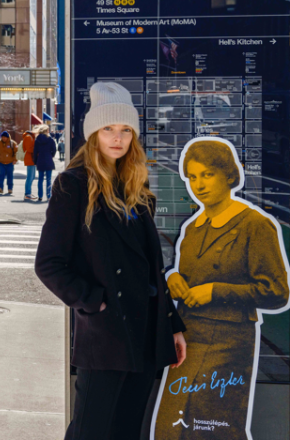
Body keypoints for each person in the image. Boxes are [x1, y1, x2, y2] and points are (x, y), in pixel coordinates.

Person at [34, 82, 187, 440]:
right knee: (90, 431)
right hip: (106, 336)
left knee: (126, 431)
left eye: (125, 131)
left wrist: (172, 325)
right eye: (108, 129)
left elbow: (153, 270)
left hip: (146, 331)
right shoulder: (72, 185)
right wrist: (93, 302)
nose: (117, 138)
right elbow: (49, 263)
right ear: (93, 134)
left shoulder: (138, 189)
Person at [154, 138, 290, 439]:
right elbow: (190, 276)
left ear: (228, 175)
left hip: (229, 343)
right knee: (171, 429)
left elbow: (277, 291)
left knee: (213, 427)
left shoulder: (254, 225)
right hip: (188, 339)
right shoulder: (193, 227)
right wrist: (172, 278)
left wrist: (216, 291)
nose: (198, 184)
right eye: (191, 177)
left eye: (207, 174)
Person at [33, 124, 57, 202]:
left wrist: (35, 161)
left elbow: (35, 151)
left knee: (40, 179)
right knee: (49, 179)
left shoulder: (37, 140)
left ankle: (40, 196)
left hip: (40, 160)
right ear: (46, 131)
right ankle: (48, 196)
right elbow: (54, 149)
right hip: (48, 160)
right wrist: (51, 155)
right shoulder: (50, 140)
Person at [0, 131, 19, 195]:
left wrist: (15, 160)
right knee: (1, 176)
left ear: (8, 137)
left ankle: (10, 189)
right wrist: (0, 157)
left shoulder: (12, 143)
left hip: (10, 163)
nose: (4, 138)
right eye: (2, 137)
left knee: (10, 176)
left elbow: (16, 152)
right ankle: (0, 188)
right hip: (1, 163)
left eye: (5, 137)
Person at [22, 128, 37, 201]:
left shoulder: (31, 137)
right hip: (30, 159)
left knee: (32, 177)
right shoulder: (28, 137)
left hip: (31, 159)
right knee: (30, 177)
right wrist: (37, 149)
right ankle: (27, 193)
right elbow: (29, 149)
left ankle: (28, 193)